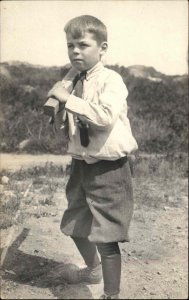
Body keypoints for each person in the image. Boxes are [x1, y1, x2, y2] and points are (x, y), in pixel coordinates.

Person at [47, 15, 138, 299]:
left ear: (102, 47)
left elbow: (104, 116)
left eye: (83, 45)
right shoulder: (72, 81)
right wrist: (59, 108)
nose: (75, 51)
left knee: (106, 236)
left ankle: (111, 294)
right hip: (81, 165)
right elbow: (66, 126)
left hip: (109, 169)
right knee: (75, 225)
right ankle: (93, 268)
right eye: (70, 45)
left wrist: (68, 99)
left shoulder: (112, 80)